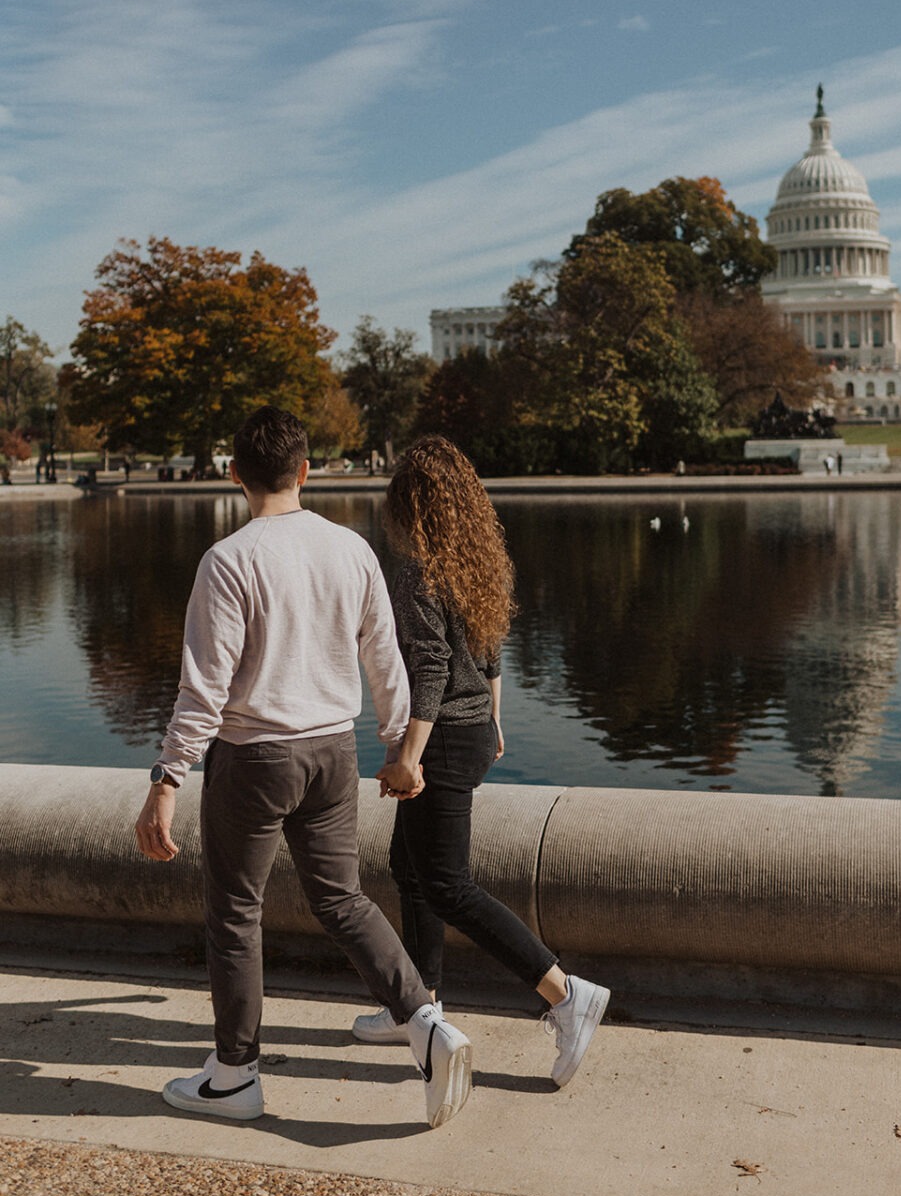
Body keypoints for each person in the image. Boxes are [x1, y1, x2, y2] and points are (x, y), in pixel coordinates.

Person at [134, 406, 471, 1129]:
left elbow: (205, 689)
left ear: (234, 475)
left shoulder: (229, 560)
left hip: (255, 758)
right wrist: (398, 747)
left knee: (234, 913)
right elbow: (386, 654)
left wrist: (167, 779)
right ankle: (428, 1025)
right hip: (332, 753)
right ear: (307, 470)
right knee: (344, 901)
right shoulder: (350, 549)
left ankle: (234, 1076)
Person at [355, 435, 610, 1088]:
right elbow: (493, 653)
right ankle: (421, 1005)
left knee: (447, 884)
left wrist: (408, 757)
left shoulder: (416, 573)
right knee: (409, 868)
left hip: (438, 738)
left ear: (408, 504)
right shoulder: (478, 563)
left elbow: (433, 667)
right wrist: (497, 720)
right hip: (470, 731)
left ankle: (564, 993)